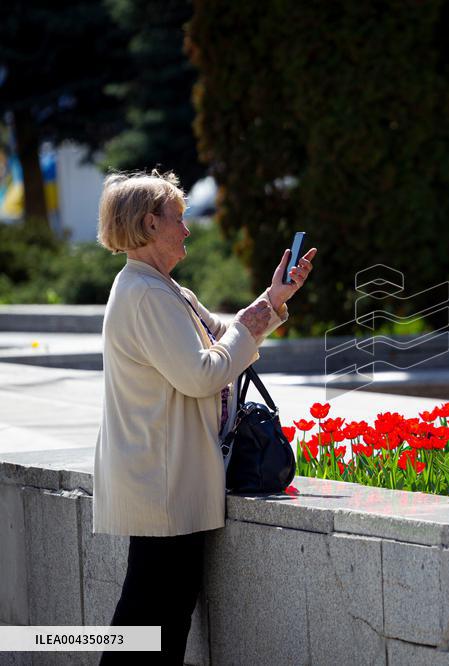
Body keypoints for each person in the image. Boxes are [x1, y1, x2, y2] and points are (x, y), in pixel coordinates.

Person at [91, 170, 317, 664]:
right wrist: (251, 326)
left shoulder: (162, 289)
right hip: (162, 483)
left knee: (161, 618)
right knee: (148, 619)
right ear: (151, 224)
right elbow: (202, 373)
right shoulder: (147, 294)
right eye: (178, 218)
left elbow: (227, 334)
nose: (187, 229)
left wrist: (273, 300)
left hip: (169, 480)